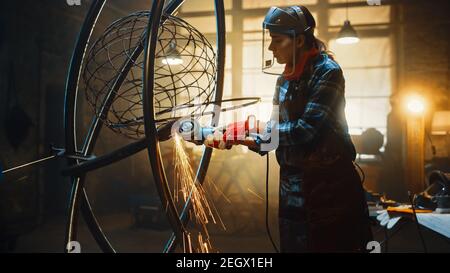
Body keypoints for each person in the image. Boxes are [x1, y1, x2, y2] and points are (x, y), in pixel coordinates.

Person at [205, 5, 373, 252]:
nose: (271, 48)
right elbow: (275, 136)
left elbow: (305, 131)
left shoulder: (328, 73)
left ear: (300, 40)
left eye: (277, 40)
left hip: (328, 188)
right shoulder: (283, 80)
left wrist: (256, 129)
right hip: (291, 188)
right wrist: (241, 137)